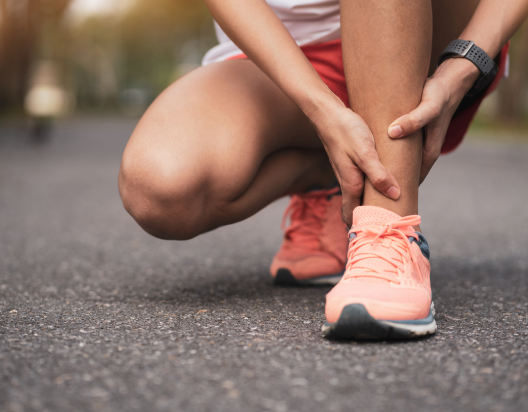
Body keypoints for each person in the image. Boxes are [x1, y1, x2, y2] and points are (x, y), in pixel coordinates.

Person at [118, 0, 527, 340]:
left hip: (431, 38)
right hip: (284, 54)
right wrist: (320, 107)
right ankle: (329, 177)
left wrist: (467, 61)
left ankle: (390, 230)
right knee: (159, 187)